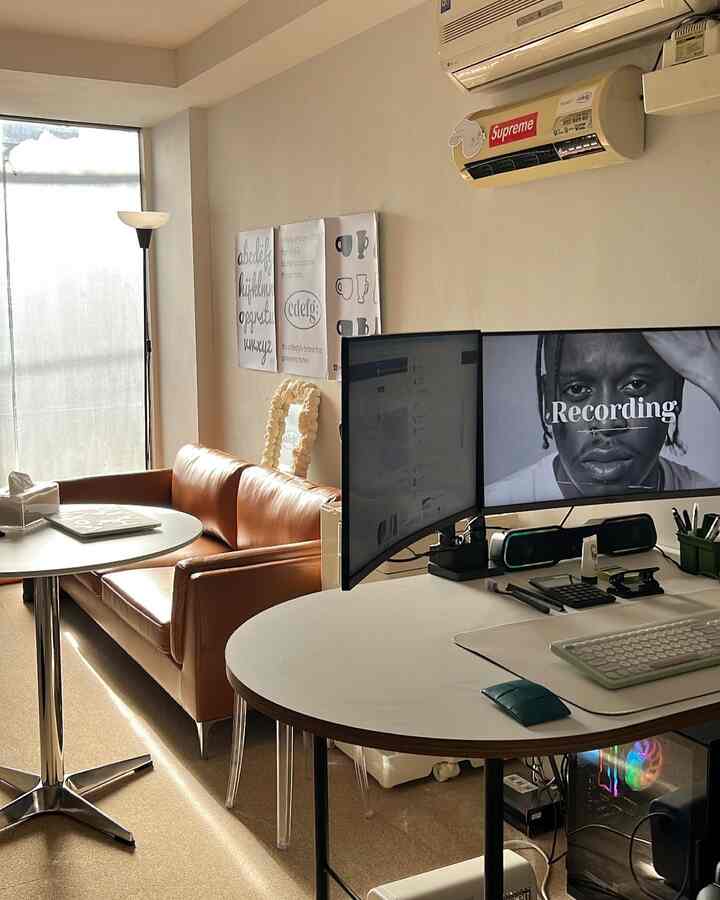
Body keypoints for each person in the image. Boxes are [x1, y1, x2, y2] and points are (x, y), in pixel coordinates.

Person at [485, 329, 720, 506]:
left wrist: (714, 372)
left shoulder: (709, 504)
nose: (607, 423)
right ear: (547, 398)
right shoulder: (499, 505)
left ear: (676, 392)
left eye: (636, 385)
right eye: (576, 390)